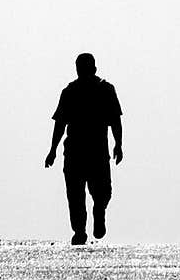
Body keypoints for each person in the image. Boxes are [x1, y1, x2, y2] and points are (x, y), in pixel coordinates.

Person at [45, 53, 123, 245]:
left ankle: (89, 220)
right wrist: (118, 145)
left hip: (81, 152)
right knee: (82, 193)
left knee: (80, 194)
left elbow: (114, 119)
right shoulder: (78, 91)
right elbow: (115, 121)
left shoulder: (98, 90)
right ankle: (83, 226)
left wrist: (53, 150)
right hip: (87, 152)